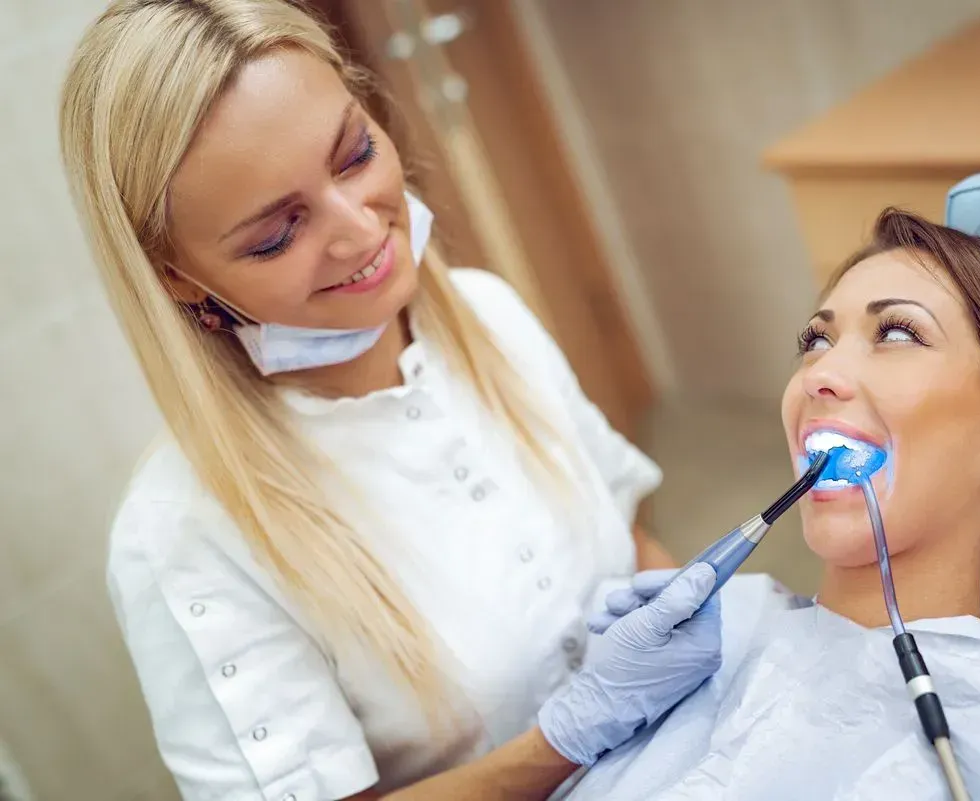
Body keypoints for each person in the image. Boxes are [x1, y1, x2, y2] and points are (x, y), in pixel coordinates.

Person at [58, 1, 723, 799]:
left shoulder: (486, 312)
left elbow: (626, 535)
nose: (359, 230)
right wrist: (564, 740)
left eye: (354, 155)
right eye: (277, 233)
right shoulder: (183, 533)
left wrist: (699, 638)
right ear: (173, 273)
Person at [572, 209, 980, 800]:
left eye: (896, 333)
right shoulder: (682, 649)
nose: (819, 373)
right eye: (816, 340)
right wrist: (556, 740)